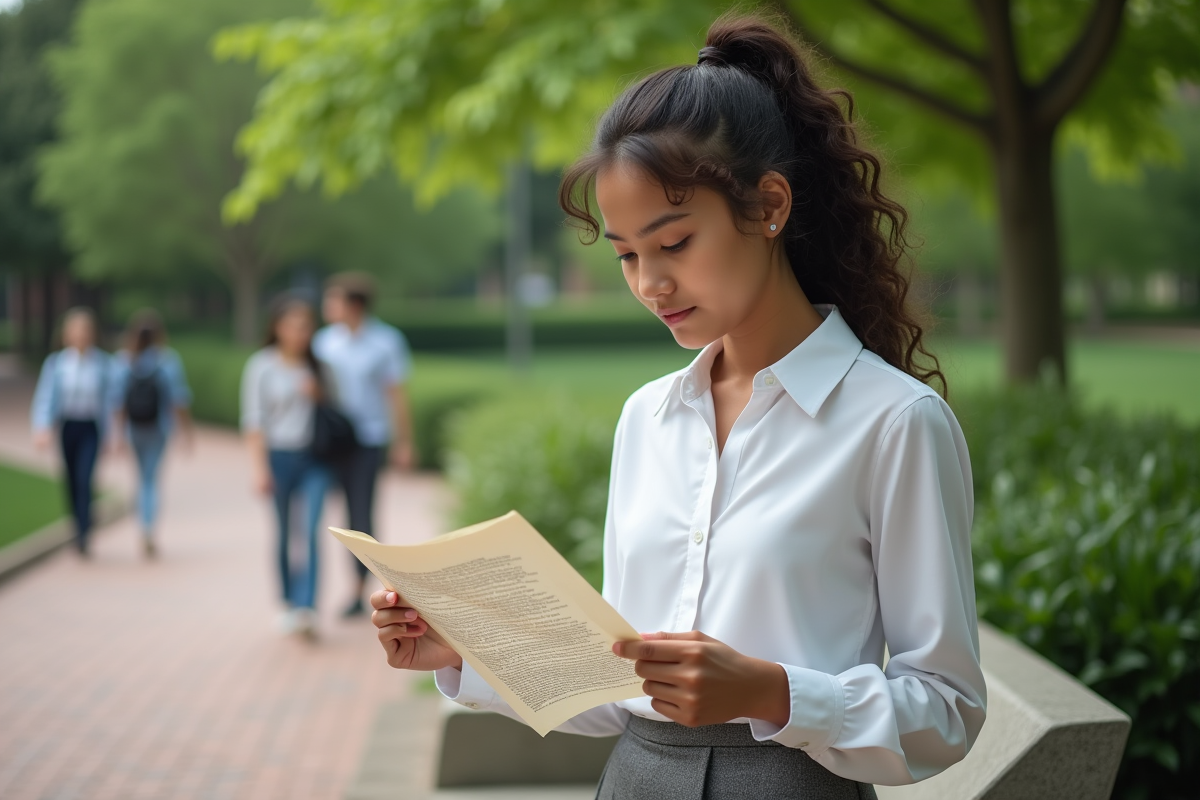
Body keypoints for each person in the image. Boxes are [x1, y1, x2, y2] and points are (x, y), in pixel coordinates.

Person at [369, 13, 986, 799]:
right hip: (634, 777)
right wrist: (464, 651)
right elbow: (619, 683)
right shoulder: (648, 418)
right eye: (627, 254)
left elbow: (948, 710)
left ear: (769, 205)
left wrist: (772, 692)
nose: (650, 284)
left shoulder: (894, 423)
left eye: (674, 243)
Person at [314, 274, 416, 617]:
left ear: (354, 305)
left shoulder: (386, 342)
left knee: (360, 515)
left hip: (367, 440)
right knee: (324, 514)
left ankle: (360, 589)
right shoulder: (324, 342)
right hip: (330, 441)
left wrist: (404, 442)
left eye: (334, 300)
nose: (328, 307)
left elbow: (396, 394)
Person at [241, 296, 336, 639]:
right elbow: (253, 422)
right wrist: (259, 469)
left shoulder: (319, 367)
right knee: (283, 534)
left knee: (310, 532)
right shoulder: (261, 366)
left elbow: (337, 413)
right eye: (293, 326)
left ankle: (307, 607)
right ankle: (287, 601)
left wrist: (319, 395)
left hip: (315, 459)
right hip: (278, 457)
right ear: (277, 328)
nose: (300, 333)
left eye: (306, 326)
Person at [30, 307, 120, 558]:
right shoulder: (57, 364)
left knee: (85, 477)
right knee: (70, 479)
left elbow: (111, 401)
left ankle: (85, 530)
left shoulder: (103, 364)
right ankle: (77, 523)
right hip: (68, 426)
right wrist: (42, 427)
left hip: (91, 427)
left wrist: (114, 434)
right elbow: (46, 397)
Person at [115, 309, 194, 558]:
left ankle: (143, 524)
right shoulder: (167, 360)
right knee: (151, 479)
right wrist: (187, 432)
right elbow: (179, 399)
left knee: (141, 479)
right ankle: (149, 528)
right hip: (159, 428)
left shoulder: (124, 360)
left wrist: (117, 434)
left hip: (134, 429)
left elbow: (117, 402)